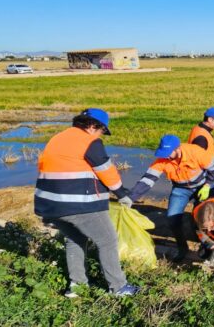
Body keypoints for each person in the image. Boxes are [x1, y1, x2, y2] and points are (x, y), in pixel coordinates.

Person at [34, 108, 139, 297]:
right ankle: (119, 287)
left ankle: (77, 286)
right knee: (107, 240)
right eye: (102, 131)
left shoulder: (58, 138)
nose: (101, 135)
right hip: (77, 204)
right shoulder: (89, 141)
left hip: (49, 205)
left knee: (75, 239)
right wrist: (121, 194)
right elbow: (106, 170)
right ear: (92, 126)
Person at [129, 134, 214, 262]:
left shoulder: (195, 151)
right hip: (180, 189)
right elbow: (148, 179)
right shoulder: (162, 159)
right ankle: (182, 248)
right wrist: (130, 198)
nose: (165, 156)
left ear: (178, 149)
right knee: (172, 218)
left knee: (202, 218)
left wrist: (208, 185)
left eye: (168, 153)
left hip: (202, 187)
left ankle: (208, 247)